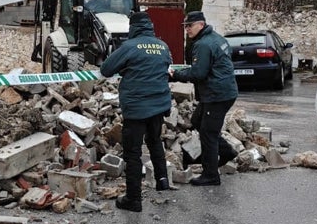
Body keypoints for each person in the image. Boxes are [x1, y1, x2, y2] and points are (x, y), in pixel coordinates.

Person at [100, 11, 173, 212]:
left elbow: (106, 69)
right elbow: (164, 68)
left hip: (136, 108)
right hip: (159, 104)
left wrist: (125, 68)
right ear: (150, 26)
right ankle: (162, 180)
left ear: (132, 28)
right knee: (155, 142)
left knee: (132, 153)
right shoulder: (163, 46)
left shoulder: (130, 47)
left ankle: (133, 199)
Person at [169, 11, 239, 186]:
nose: (187, 30)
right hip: (224, 91)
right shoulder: (218, 38)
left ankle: (211, 175)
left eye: (190, 26)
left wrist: (175, 75)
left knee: (208, 132)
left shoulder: (203, 45)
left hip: (217, 95)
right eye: (185, 26)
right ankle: (227, 152)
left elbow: (198, 73)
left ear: (201, 24)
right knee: (197, 120)